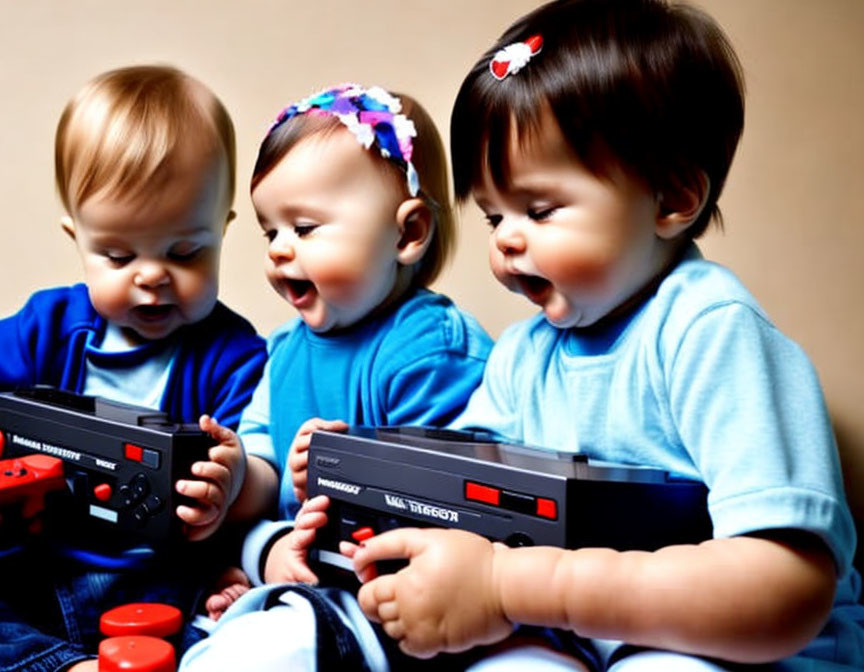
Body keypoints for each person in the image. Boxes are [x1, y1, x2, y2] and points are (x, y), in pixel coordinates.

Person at [345, 1, 864, 670]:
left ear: (673, 198)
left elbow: (786, 590)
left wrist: (510, 584)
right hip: (575, 633)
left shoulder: (709, 333)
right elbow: (469, 503)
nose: (505, 238)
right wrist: (361, 485)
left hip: (734, 650)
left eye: (537, 208)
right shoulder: (525, 355)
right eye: (494, 212)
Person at [177, 83, 492, 670]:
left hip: (398, 601)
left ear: (407, 234)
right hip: (313, 575)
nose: (278, 250)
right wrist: (236, 475)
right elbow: (267, 465)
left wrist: (339, 477)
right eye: (271, 232)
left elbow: (454, 501)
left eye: (305, 227)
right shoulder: (287, 350)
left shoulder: (426, 348)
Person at [0, 65, 267, 672]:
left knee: (235, 611)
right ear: (77, 238)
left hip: (159, 576)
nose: (151, 276)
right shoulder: (48, 326)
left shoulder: (232, 355)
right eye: (118, 255)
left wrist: (230, 483)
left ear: (223, 231)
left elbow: (250, 458)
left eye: (185, 252)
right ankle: (64, 664)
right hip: (40, 563)